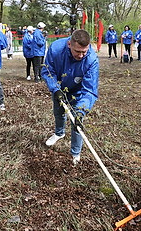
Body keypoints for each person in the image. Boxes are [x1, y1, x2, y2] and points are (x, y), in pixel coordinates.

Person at [41, 29, 99, 165]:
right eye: (77, 51)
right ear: (69, 44)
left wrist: (81, 110)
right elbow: (48, 70)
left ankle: (75, 153)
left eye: (84, 51)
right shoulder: (56, 49)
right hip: (60, 86)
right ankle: (59, 133)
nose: (81, 55)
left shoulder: (91, 60)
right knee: (59, 111)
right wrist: (56, 89)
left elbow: (89, 90)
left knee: (77, 122)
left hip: (79, 91)